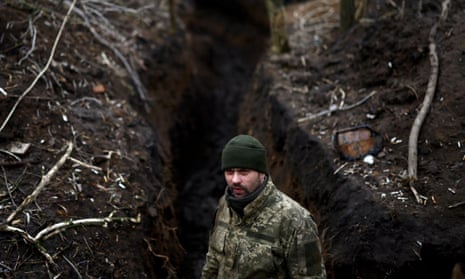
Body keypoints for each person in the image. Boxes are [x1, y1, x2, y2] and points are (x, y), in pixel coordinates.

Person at [201, 134, 326, 278]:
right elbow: (213, 262)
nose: (235, 180)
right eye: (229, 172)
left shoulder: (296, 222)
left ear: (261, 173)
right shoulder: (225, 205)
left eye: (243, 172)